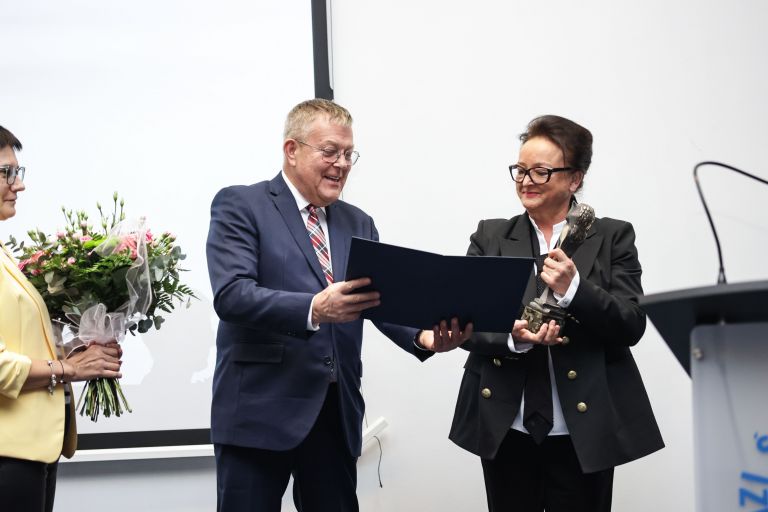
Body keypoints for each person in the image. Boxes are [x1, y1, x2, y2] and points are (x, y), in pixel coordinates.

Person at [206, 98, 469, 512]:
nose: (342, 164)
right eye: (330, 151)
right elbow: (233, 295)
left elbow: (379, 299)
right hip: (259, 412)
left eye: (349, 154)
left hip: (335, 413)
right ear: (292, 150)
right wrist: (313, 308)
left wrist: (422, 337)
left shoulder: (358, 222)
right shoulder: (241, 205)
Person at [449, 115, 664, 511]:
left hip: (584, 429)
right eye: (520, 170)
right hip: (508, 426)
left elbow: (631, 324)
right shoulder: (490, 236)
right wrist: (512, 337)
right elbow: (463, 324)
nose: (526, 181)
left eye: (541, 171)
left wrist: (575, 289)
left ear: (574, 179)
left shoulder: (613, 236)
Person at [0, 126, 123, 512]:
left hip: (31, 449)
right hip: (8, 452)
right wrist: (69, 369)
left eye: (18, 172)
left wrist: (72, 351)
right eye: (6, 173)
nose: (18, 185)